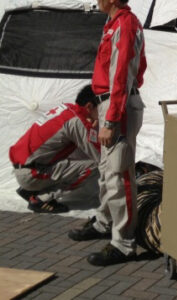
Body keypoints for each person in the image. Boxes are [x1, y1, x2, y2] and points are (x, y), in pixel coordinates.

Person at [68, 0, 146, 266]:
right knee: (107, 171)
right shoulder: (115, 22)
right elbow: (140, 67)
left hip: (117, 108)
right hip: (111, 104)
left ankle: (124, 244)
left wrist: (111, 119)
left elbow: (122, 74)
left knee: (119, 175)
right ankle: (105, 222)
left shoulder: (124, 23)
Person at [9, 85, 100, 213]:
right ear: (89, 107)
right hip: (31, 174)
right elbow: (99, 155)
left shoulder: (67, 108)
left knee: (72, 154)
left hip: (22, 166)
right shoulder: (77, 122)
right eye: (102, 108)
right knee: (95, 167)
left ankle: (30, 189)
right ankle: (41, 199)